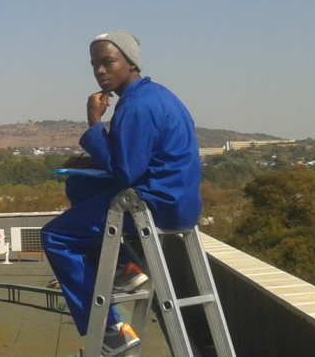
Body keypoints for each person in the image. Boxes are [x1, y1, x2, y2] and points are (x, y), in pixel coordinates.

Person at [41, 31, 201, 356]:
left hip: (154, 205)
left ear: (130, 63)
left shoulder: (137, 106)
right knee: (79, 185)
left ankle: (111, 332)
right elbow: (134, 159)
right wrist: (88, 161)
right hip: (178, 199)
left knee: (56, 237)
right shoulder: (157, 96)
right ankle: (126, 268)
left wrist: (93, 123)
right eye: (95, 65)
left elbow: (126, 170)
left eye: (108, 62)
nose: (100, 71)